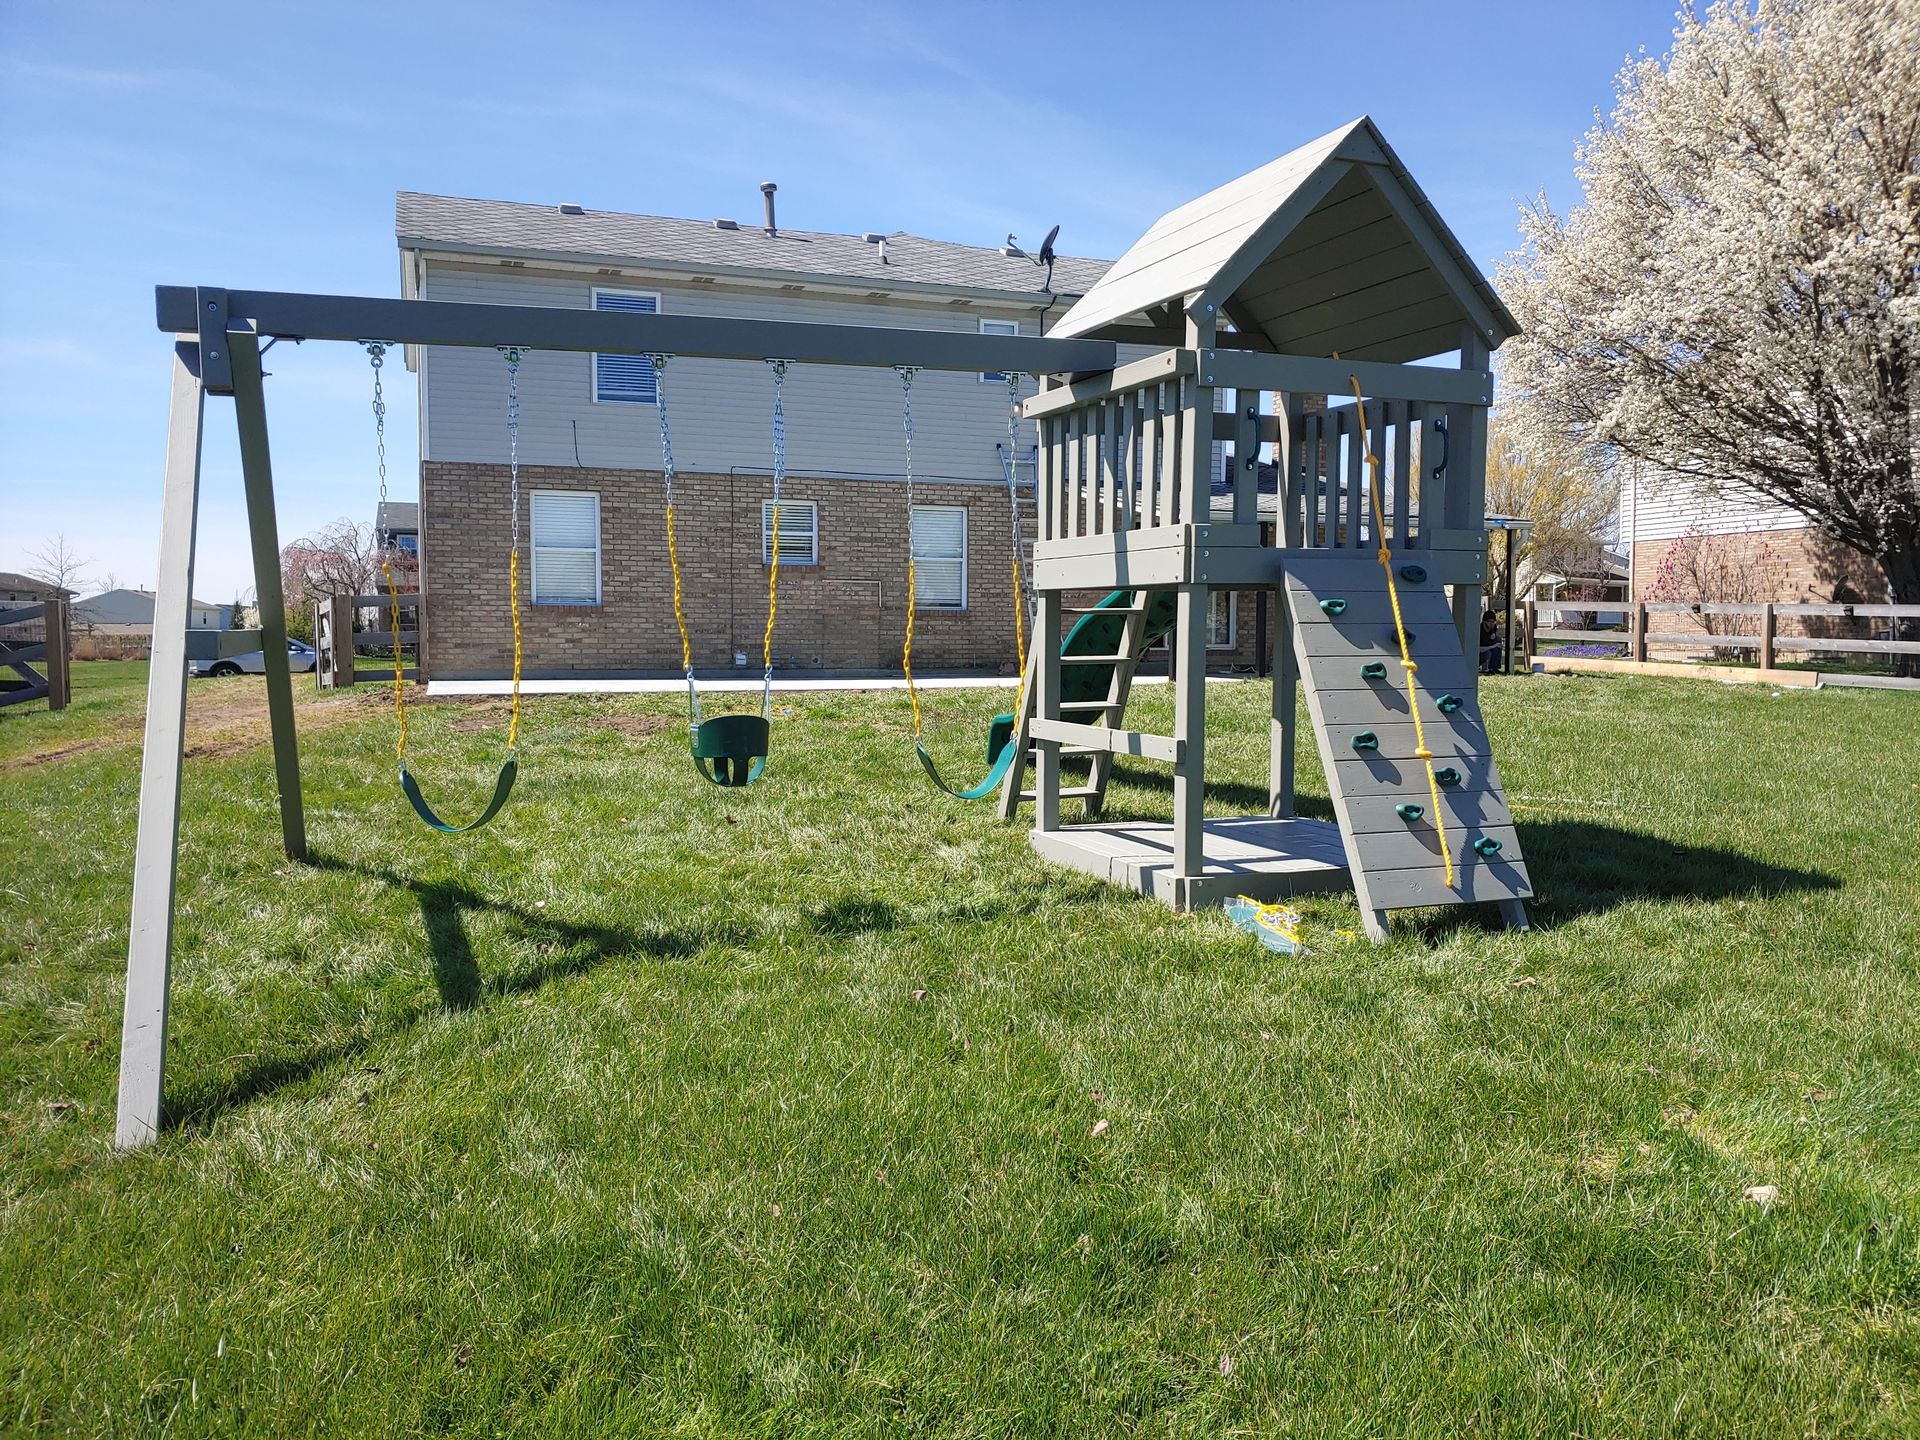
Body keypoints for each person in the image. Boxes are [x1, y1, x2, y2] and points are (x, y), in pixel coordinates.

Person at [1479, 607, 1503, 674]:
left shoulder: (1493, 628)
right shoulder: (1479, 632)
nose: (1492, 624)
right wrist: (1493, 646)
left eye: (1494, 621)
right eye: (1489, 621)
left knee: (1498, 642)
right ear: (1484, 621)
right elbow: (1478, 649)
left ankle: (1494, 668)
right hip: (1480, 652)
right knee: (1487, 653)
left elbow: (1495, 637)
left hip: (1488, 646)